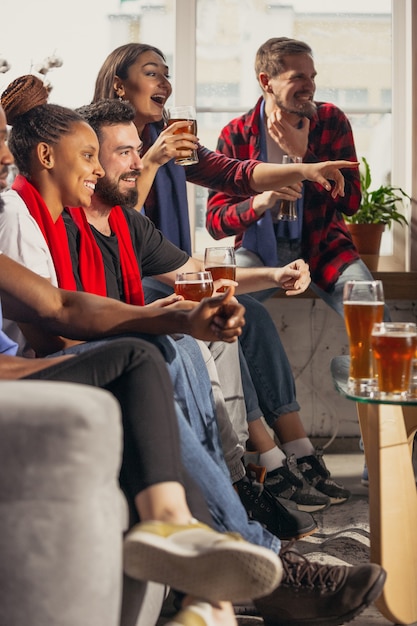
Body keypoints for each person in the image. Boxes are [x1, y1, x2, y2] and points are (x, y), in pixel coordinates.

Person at [0, 85, 386, 626]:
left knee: (175, 342)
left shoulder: (90, 217)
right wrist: (175, 315)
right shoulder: (21, 213)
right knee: (155, 347)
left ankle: (226, 541)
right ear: (47, 156)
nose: (106, 166)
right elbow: (55, 320)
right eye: (100, 155)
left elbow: (72, 301)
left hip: (64, 355)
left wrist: (247, 286)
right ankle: (266, 557)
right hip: (47, 365)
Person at [92, 43, 351, 510]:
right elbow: (114, 226)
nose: (165, 83)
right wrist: (149, 159)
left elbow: (236, 173)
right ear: (118, 83)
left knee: (251, 312)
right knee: (222, 315)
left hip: (171, 268)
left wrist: (307, 168)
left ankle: (288, 451)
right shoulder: (104, 145)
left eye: (167, 74)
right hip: (131, 281)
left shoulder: (174, 139)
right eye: (153, 73)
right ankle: (265, 460)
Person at [205, 36, 378, 314]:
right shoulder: (236, 134)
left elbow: (352, 202)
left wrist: (304, 155)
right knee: (218, 309)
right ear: (266, 81)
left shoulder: (331, 120)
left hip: (325, 245)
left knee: (371, 312)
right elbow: (215, 223)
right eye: (298, 77)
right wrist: (261, 201)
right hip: (260, 252)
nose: (310, 86)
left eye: (312, 76)